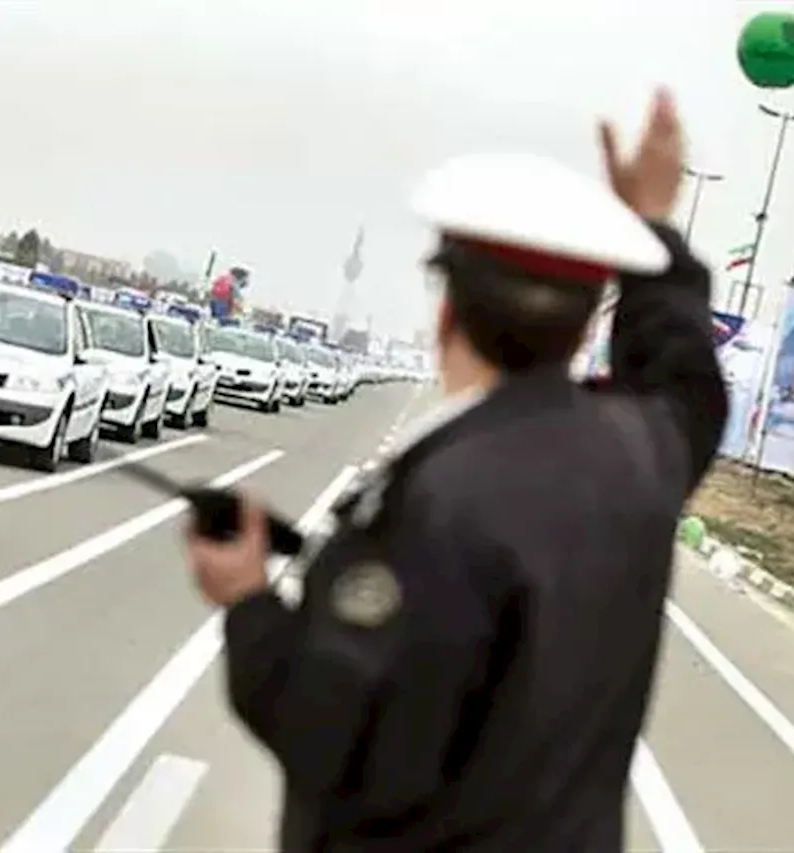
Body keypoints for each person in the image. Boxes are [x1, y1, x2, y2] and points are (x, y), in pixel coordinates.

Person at [183, 89, 728, 852]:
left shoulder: (436, 500)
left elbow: (332, 736)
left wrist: (247, 601)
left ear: (447, 313)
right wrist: (655, 232)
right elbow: (685, 375)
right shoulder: (644, 453)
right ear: (580, 330)